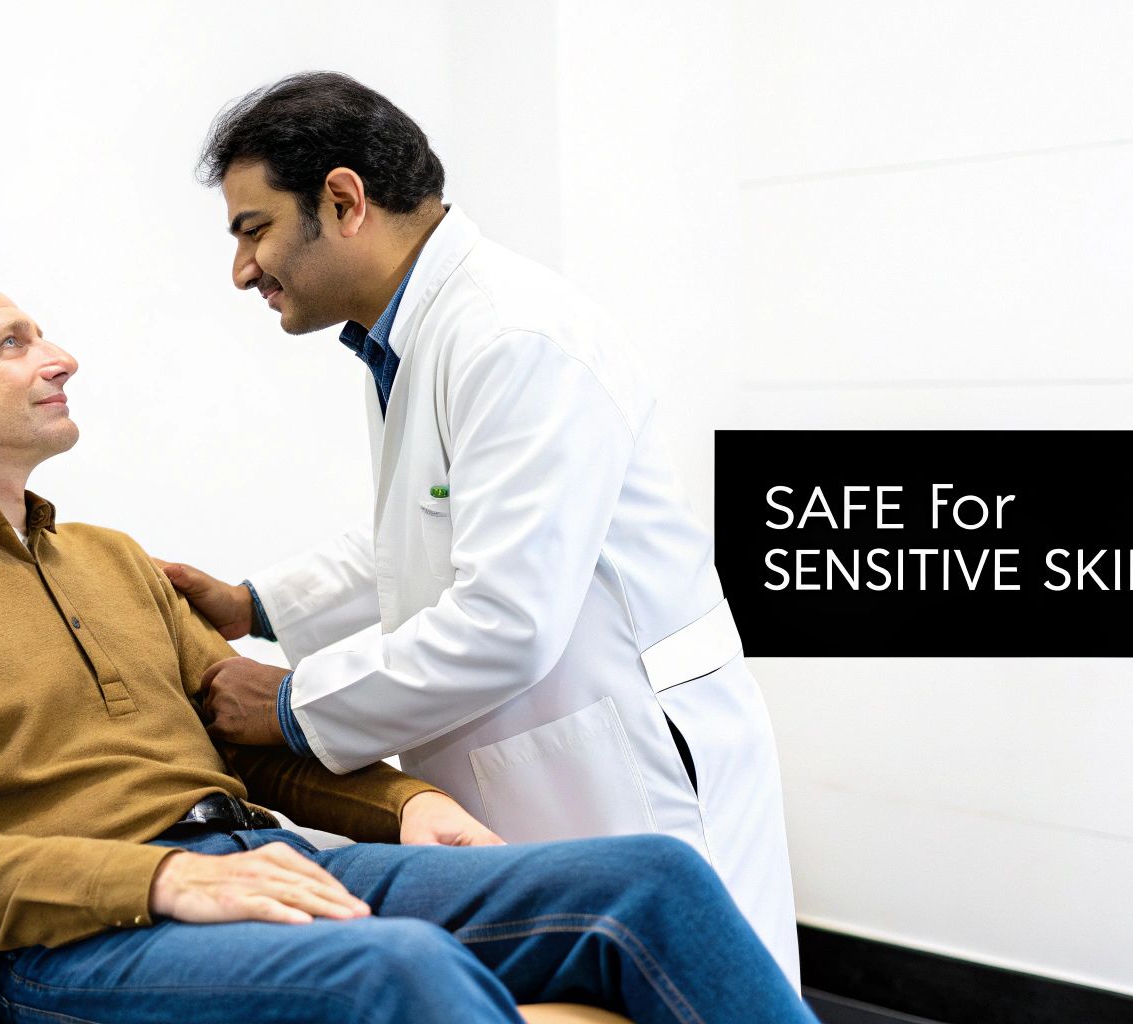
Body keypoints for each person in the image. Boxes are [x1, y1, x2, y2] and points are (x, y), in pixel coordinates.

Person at [0, 259, 816, 1024]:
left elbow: (245, 739)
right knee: (397, 965)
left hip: (259, 861)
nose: (60, 357)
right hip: (81, 941)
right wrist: (160, 882)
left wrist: (404, 802)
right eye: (12, 344)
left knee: (649, 877)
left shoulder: (108, 559)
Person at [161, 71, 800, 985]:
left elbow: (507, 621)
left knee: (704, 991)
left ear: (343, 201)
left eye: (253, 230)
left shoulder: (511, 337)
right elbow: (425, 524)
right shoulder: (415, 333)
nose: (242, 270)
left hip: (630, 757)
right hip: (544, 748)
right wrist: (252, 602)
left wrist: (291, 705)